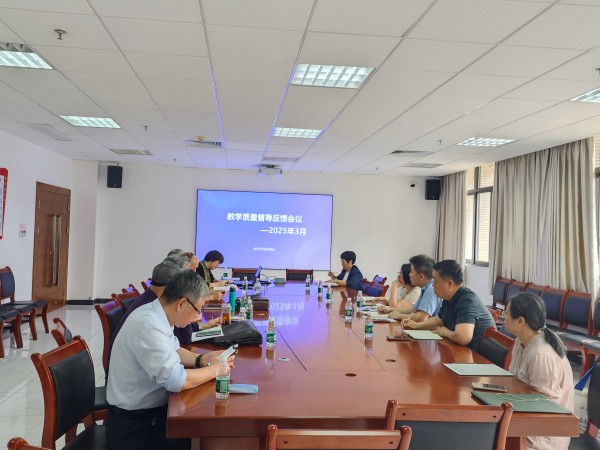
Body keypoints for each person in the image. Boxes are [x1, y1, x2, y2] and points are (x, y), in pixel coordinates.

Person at [106, 270, 235, 450]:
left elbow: (174, 349)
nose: (198, 317)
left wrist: (203, 359)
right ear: (182, 303)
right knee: (205, 439)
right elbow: (177, 381)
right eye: (198, 310)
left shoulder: (158, 314)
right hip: (134, 427)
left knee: (201, 434)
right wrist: (216, 370)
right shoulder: (148, 324)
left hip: (151, 415)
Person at [504, 292, 574, 450]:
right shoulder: (521, 341)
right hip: (522, 419)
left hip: (541, 439)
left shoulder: (540, 355)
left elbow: (543, 408)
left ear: (520, 321)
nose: (503, 317)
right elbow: (513, 382)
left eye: (506, 314)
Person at [402, 260, 495, 351]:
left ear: (450, 284)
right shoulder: (449, 297)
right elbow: (439, 320)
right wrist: (417, 325)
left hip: (477, 356)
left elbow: (463, 338)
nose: (433, 285)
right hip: (460, 350)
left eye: (435, 281)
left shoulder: (467, 301)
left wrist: (445, 332)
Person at [388, 254, 442, 322]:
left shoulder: (431, 289)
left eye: (412, 272)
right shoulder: (425, 287)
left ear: (421, 277)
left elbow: (421, 318)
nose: (409, 275)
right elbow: (414, 309)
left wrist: (399, 316)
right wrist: (391, 310)